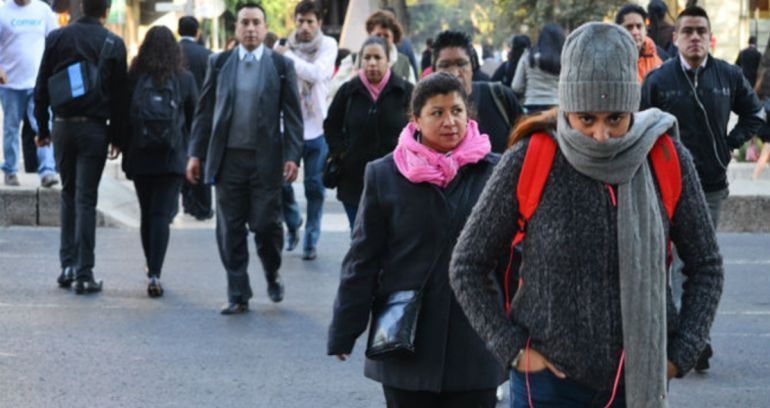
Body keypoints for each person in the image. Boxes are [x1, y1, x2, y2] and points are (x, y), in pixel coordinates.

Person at [450, 23, 724, 407]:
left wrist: (681, 353)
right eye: (586, 119)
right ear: (566, 109)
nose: (600, 136)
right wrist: (511, 347)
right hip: (547, 387)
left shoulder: (665, 157)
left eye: (615, 118)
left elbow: (707, 264)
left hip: (639, 380)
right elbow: (466, 265)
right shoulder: (531, 157)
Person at [328, 72, 503, 408]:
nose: (449, 121)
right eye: (437, 112)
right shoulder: (384, 174)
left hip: (476, 339)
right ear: (416, 119)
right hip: (407, 339)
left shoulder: (494, 172)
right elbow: (364, 258)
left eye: (457, 111)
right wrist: (345, 328)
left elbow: (516, 256)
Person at [641, 6, 764, 372]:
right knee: (670, 262)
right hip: (664, 185)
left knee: (695, 262)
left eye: (700, 31)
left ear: (709, 37)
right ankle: (687, 337)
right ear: (675, 37)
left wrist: (729, 144)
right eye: (687, 31)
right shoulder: (659, 80)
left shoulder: (728, 75)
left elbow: (755, 114)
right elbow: (639, 127)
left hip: (709, 186)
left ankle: (690, 338)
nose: (694, 37)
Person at [186, 3, 303, 315]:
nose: (250, 29)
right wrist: (196, 153)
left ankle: (272, 271)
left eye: (256, 23)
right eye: (245, 23)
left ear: (264, 29)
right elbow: (205, 111)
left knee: (267, 226)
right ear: (235, 29)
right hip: (228, 161)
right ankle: (238, 292)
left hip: (266, 160)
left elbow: (292, 115)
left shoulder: (281, 66)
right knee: (230, 229)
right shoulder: (219, 62)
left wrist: (293, 155)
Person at [34, 0, 128, 294]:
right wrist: (118, 137)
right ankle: (85, 274)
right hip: (95, 128)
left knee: (68, 194)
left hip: (62, 125)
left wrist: (42, 127)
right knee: (87, 198)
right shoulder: (114, 42)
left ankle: (67, 266)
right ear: (106, 10)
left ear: (81, 7)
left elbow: (42, 85)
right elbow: (120, 96)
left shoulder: (57, 37)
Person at [122, 26, 198, 297]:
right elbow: (194, 118)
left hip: (140, 155)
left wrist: (119, 145)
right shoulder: (184, 79)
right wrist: (192, 151)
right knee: (161, 216)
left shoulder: (134, 77)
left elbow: (122, 115)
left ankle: (150, 267)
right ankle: (156, 271)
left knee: (147, 212)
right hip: (171, 157)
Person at [323, 37, 412, 229]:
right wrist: (341, 151)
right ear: (360, 61)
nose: (372, 63)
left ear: (388, 61)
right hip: (354, 181)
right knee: (359, 239)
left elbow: (419, 128)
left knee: (391, 239)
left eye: (377, 57)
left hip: (396, 180)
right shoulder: (347, 92)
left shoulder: (405, 92)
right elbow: (331, 125)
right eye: (367, 57)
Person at [273, 0, 338, 261]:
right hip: (288, 127)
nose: (305, 26)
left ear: (319, 23)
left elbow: (316, 73)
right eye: (300, 21)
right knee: (281, 183)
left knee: (314, 186)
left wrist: (285, 56)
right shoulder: (285, 45)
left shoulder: (327, 46)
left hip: (317, 128)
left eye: (310, 21)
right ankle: (292, 221)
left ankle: (311, 239)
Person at [0, 0, 59, 187]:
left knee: (42, 126)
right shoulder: (3, 12)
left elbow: (55, 42)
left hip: (38, 83)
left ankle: (47, 170)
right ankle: (10, 170)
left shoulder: (43, 11)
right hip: (10, 84)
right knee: (11, 129)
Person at [433, 30, 522, 153]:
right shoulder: (426, 112)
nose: (454, 73)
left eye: (461, 64)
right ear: (434, 71)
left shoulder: (501, 97)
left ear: (472, 67)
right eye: (445, 65)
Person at [328, 11, 415, 101]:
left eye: (386, 36)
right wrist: (351, 78)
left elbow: (413, 96)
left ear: (393, 38)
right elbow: (332, 90)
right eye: (378, 35)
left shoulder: (403, 63)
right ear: (370, 35)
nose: (382, 39)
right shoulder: (353, 60)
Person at [177, 15, 214, 221]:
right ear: (197, 32)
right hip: (202, 114)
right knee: (201, 158)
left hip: (176, 113)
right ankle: (203, 206)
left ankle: (188, 203)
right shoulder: (207, 55)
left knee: (182, 157)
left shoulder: (171, 51)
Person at [511, 23, 564, 113]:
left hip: (531, 108)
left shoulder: (527, 56)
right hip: (557, 108)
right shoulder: (564, 59)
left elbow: (516, 86)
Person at [616, 4, 664, 83]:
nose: (635, 32)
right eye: (629, 27)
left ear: (646, 30)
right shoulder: (609, 61)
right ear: (618, 30)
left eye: (639, 26)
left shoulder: (658, 59)